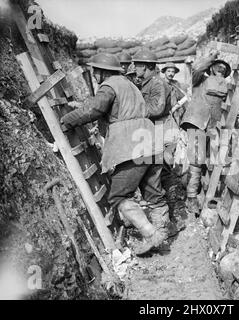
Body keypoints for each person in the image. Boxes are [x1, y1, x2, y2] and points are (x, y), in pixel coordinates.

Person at [60, 53, 170, 255]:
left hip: (131, 145)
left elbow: (94, 109)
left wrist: (68, 120)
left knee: (118, 196)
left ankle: (152, 234)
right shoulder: (128, 85)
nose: (94, 75)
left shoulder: (109, 85)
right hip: (150, 141)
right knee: (153, 192)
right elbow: (113, 108)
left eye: (95, 71)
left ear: (102, 71)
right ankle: (164, 231)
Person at [180, 51, 231, 216]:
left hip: (212, 126)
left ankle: (192, 189)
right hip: (196, 121)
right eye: (218, 65)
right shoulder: (200, 79)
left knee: (203, 161)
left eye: (224, 67)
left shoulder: (224, 85)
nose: (221, 68)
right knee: (196, 160)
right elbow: (196, 67)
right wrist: (211, 57)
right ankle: (191, 198)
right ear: (211, 67)